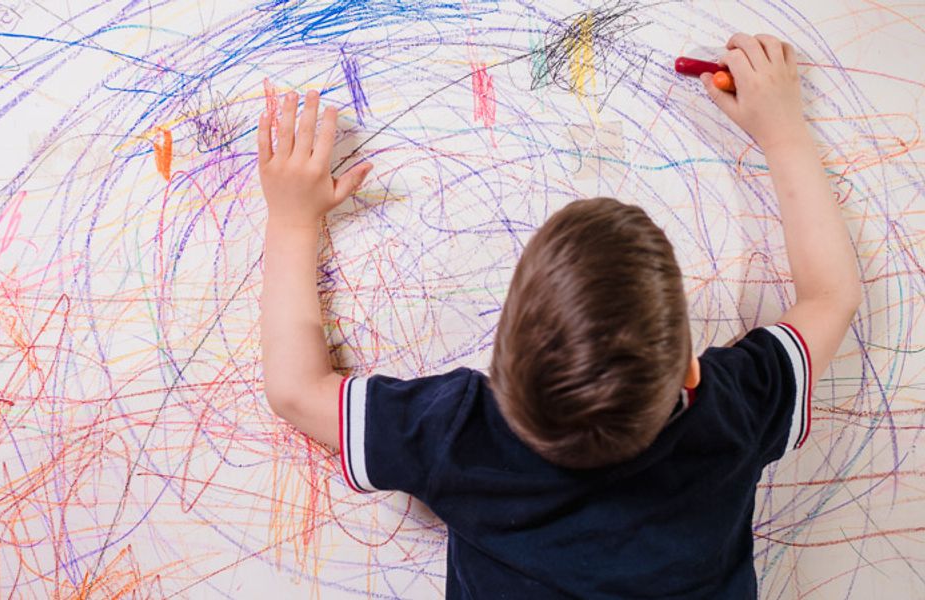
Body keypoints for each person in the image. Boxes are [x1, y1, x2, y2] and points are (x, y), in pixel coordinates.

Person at [256, 33, 860, 598]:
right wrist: (782, 132)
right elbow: (832, 296)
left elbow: (294, 389)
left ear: (502, 364)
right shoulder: (730, 417)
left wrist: (290, 218)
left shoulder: (460, 435)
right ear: (690, 373)